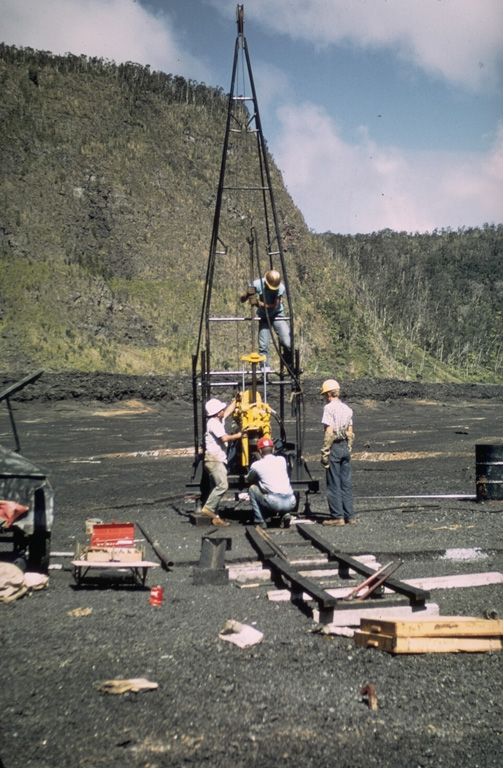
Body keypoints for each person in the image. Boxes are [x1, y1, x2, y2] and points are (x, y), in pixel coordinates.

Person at [319, 379, 355, 526]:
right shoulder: (347, 409)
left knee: (333, 483)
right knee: (346, 483)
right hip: (345, 447)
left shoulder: (329, 408)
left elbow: (329, 431)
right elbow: (350, 432)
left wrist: (325, 452)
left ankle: (337, 517)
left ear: (328, 394)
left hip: (334, 447)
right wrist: (349, 447)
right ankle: (350, 516)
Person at [202, 398, 242, 526]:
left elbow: (228, 411)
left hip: (215, 459)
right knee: (223, 485)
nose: (223, 410)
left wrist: (236, 400)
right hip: (215, 460)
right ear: (217, 412)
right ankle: (208, 508)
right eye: (221, 409)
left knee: (215, 487)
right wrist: (240, 435)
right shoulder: (213, 423)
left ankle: (216, 517)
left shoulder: (218, 420)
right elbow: (224, 438)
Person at [240, 269, 291, 369]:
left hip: (277, 314)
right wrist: (247, 294)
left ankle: (288, 360)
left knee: (287, 341)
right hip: (263, 316)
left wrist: (259, 303)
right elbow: (242, 300)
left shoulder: (280, 287)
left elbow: (274, 306)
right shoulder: (257, 284)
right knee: (263, 345)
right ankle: (265, 370)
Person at [245, 436, 296, 528]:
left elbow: (248, 479)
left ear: (260, 451)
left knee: (252, 489)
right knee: (281, 486)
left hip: (274, 502)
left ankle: (260, 521)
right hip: (291, 501)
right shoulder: (282, 460)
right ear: (273, 449)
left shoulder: (256, 465)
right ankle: (286, 515)